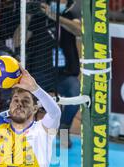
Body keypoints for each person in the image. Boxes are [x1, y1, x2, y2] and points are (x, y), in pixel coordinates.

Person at [40, 0, 81, 148]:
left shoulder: (70, 14)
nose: (61, 1)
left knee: (75, 91)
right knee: (25, 94)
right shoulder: (39, 15)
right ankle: (28, 132)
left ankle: (63, 129)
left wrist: (56, 17)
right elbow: (20, 39)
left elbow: (79, 29)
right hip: (40, 73)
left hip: (64, 75)